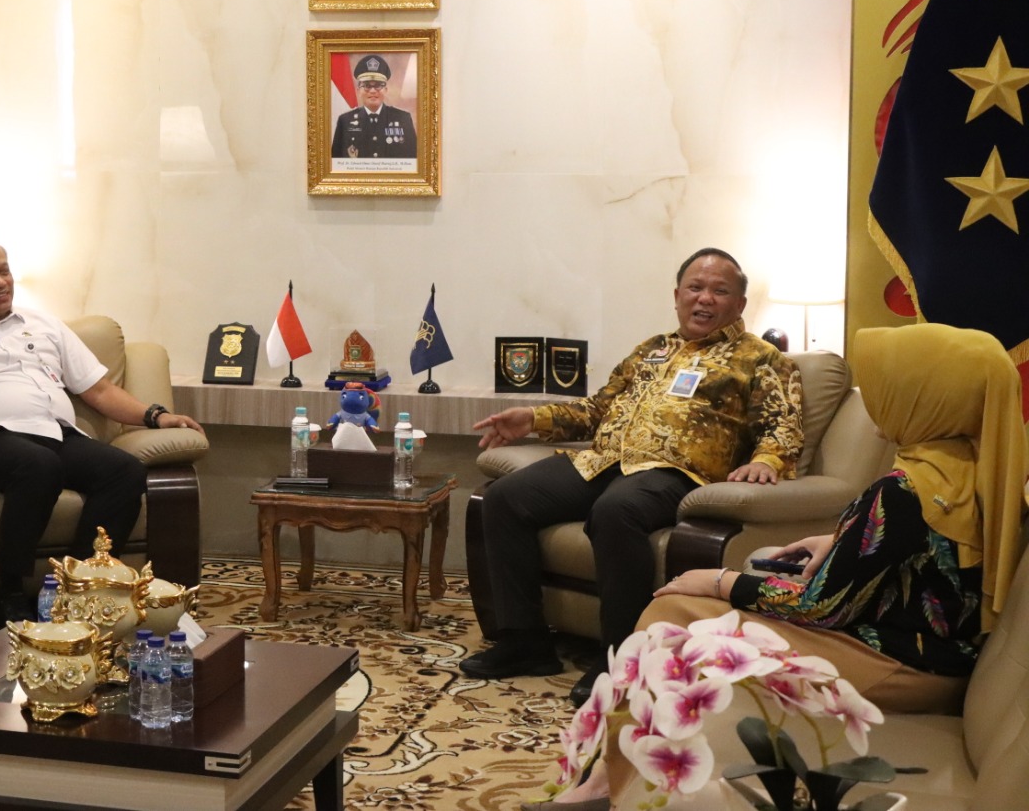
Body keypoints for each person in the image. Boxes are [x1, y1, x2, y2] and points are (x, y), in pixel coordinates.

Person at [537, 323, 1029, 809]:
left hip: (900, 667)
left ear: (926, 397)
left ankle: (607, 784)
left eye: (888, 385)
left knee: (671, 613)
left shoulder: (906, 490)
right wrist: (841, 542)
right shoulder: (972, 469)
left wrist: (722, 580)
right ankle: (610, 777)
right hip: (934, 661)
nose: (877, 399)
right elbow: (927, 553)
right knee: (677, 612)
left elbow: (820, 607)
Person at [462, 248, 803, 707]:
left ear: (739, 303)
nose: (705, 298)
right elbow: (596, 410)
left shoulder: (761, 358)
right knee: (505, 497)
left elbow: (782, 424)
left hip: (677, 471)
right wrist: (535, 418)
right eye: (695, 288)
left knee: (616, 510)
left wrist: (768, 459)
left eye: (719, 291)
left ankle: (622, 657)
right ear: (677, 296)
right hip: (605, 461)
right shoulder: (651, 349)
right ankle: (524, 641)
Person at [0, 234, 205, 630]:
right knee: (38, 466)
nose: (1, 282)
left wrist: (156, 416)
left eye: (5, 271)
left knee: (124, 471)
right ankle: (9, 591)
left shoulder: (43, 324)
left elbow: (98, 390)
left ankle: (76, 585)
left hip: (56, 434)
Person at [330, 54, 418, 159]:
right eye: (367, 86)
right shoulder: (345, 121)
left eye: (378, 85)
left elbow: (414, 160)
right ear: (358, 91)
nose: (372, 91)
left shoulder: (403, 119)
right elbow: (335, 162)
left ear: (385, 90)